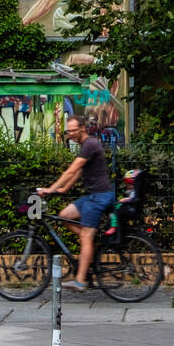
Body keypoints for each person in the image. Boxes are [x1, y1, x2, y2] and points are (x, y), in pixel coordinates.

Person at [35, 114, 115, 291]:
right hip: (91, 197)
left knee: (86, 235)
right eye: (68, 131)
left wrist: (50, 188)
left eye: (73, 131)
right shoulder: (85, 146)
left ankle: (80, 281)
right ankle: (89, 244)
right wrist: (64, 189)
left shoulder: (90, 144)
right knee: (64, 216)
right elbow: (79, 172)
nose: (70, 134)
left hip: (99, 196)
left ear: (82, 129)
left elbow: (71, 171)